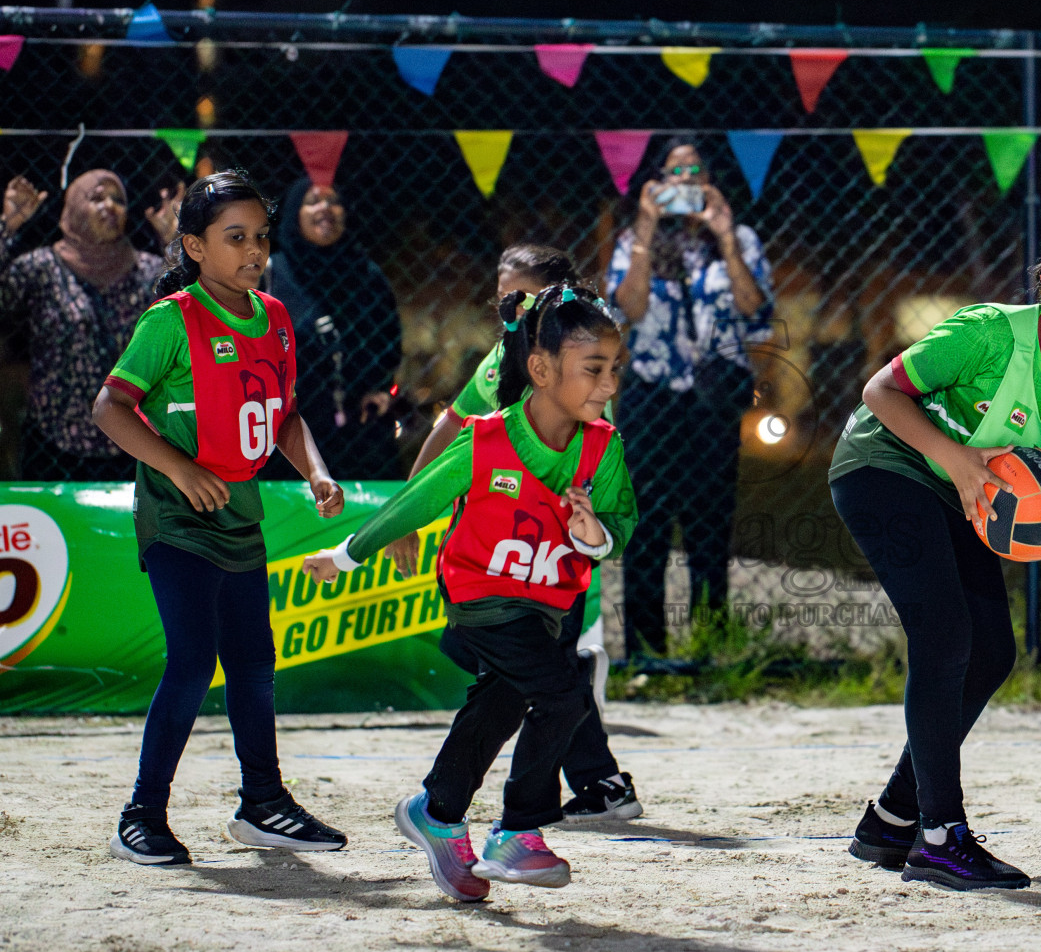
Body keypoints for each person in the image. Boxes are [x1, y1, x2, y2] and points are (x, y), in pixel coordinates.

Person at [828, 219, 1041, 891]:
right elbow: (881, 392)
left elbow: (1034, 473)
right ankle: (939, 837)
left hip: (961, 487)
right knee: (944, 634)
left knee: (991, 652)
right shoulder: (988, 333)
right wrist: (958, 459)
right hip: (886, 462)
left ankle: (892, 819)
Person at [302, 284, 636, 901]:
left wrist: (595, 535)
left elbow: (620, 523)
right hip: (480, 596)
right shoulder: (485, 441)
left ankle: (438, 808)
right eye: (594, 370)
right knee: (564, 696)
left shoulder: (602, 447)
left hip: (546, 603)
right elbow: (417, 501)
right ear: (540, 369)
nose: (609, 384)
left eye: (614, 368)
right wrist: (347, 555)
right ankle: (519, 833)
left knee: (505, 699)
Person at [91, 170, 349, 866]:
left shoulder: (276, 317)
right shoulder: (171, 319)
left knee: (254, 663)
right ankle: (140, 816)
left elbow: (286, 416)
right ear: (195, 247)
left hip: (240, 512)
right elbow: (110, 408)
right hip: (176, 515)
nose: (254, 251)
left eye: (260, 237)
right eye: (234, 238)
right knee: (193, 659)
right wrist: (181, 468)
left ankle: (262, 804)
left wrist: (316, 471)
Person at [386, 244, 644, 824]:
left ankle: (532, 810)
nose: (510, 307)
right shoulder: (502, 359)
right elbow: (453, 431)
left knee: (538, 678)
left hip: (556, 552)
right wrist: (409, 508)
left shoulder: (581, 364)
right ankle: (498, 807)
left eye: (522, 296)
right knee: (521, 672)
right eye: (503, 296)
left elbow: (598, 450)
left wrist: (593, 526)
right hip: (499, 555)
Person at [607, 137, 773, 656]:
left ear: (710, 182)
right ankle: (645, 651)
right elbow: (625, 312)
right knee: (647, 523)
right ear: (656, 183)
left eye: (696, 171)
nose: (686, 180)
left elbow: (758, 316)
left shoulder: (740, 236)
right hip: (650, 394)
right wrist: (646, 227)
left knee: (708, 521)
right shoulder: (635, 237)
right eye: (675, 172)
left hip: (713, 397)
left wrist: (724, 238)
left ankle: (709, 647)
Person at [1, 170, 182, 479]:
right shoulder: (41, 267)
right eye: (97, 197)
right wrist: (8, 226)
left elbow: (196, 314)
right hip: (53, 442)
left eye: (118, 200)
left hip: (135, 441)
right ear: (71, 208)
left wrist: (176, 244)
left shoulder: (149, 270)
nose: (110, 206)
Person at [264, 178, 403, 479]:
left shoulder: (366, 275)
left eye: (333, 200)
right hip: (286, 426)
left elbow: (387, 338)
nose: (325, 208)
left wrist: (379, 385)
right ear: (294, 214)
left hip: (358, 429)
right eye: (313, 201)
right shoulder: (272, 275)